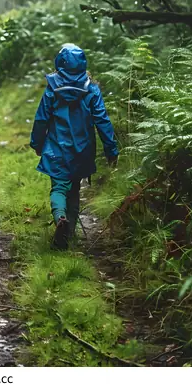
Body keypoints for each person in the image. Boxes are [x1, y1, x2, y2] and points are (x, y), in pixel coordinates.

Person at [30, 44, 119, 250]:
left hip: (56, 149)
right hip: (82, 150)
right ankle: (67, 236)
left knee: (59, 188)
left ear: (59, 64)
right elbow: (102, 121)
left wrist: (37, 143)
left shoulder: (52, 89)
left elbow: (41, 119)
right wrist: (111, 150)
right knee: (75, 189)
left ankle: (60, 218)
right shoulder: (92, 90)